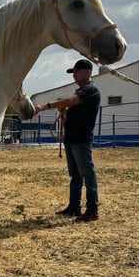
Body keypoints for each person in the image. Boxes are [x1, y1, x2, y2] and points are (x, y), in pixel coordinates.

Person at [33, 59, 100, 221]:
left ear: (87, 72)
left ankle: (92, 209)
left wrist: (45, 106)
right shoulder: (82, 92)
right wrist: (64, 115)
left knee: (87, 174)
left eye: (76, 71)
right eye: (74, 72)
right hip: (72, 139)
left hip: (80, 140)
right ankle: (74, 206)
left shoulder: (90, 90)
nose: (74, 75)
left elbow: (71, 101)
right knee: (76, 174)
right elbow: (71, 108)